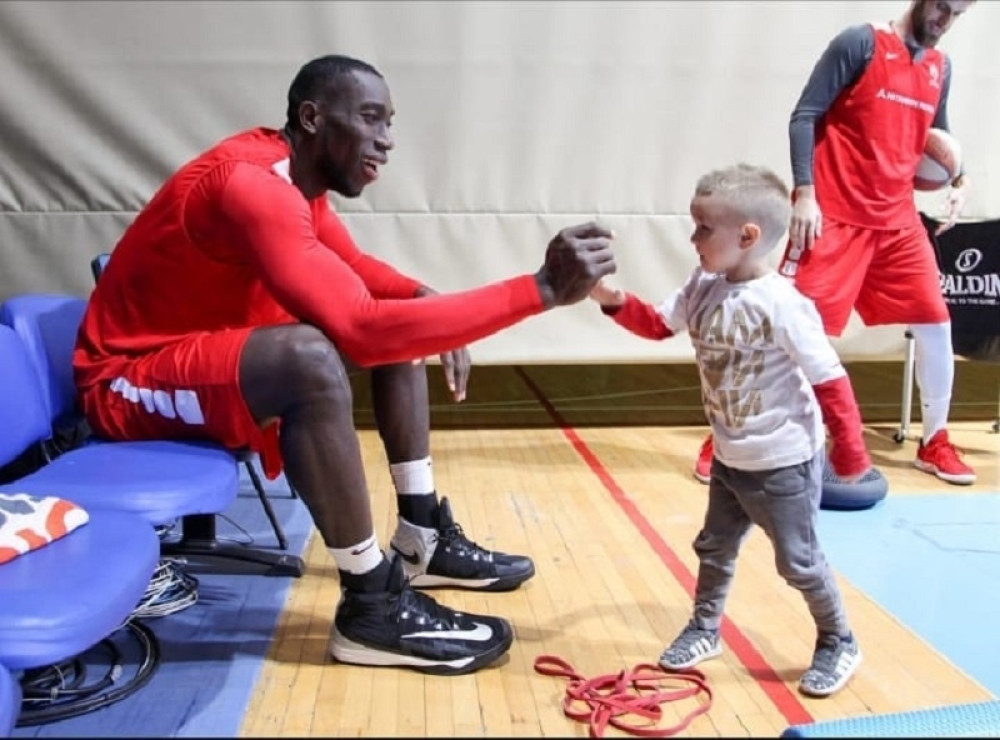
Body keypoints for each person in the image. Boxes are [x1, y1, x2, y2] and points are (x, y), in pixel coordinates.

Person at [72, 54, 617, 676]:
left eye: (390, 122)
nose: (386, 139)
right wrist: (541, 289)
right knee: (313, 352)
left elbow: (360, 278)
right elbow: (357, 326)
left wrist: (422, 297)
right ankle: (371, 604)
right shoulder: (249, 185)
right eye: (370, 118)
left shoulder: (294, 185)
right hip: (125, 383)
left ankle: (421, 537)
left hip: (197, 361)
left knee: (394, 316)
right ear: (312, 118)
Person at [590, 164, 864, 697]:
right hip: (731, 458)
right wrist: (607, 296)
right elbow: (655, 324)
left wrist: (851, 455)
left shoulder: (784, 304)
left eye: (702, 229)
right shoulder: (702, 285)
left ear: (747, 236)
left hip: (784, 462)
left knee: (799, 563)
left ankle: (839, 639)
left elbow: (829, 378)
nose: (692, 239)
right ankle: (705, 627)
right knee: (714, 547)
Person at [776, 0, 977, 486]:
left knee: (936, 324)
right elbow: (804, 116)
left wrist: (960, 178)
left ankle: (935, 441)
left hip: (898, 220)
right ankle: (733, 434)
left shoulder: (938, 67)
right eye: (942, 7)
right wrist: (805, 193)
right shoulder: (859, 42)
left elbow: (936, 135)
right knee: (789, 332)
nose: (944, 21)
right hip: (834, 215)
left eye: (958, 14)